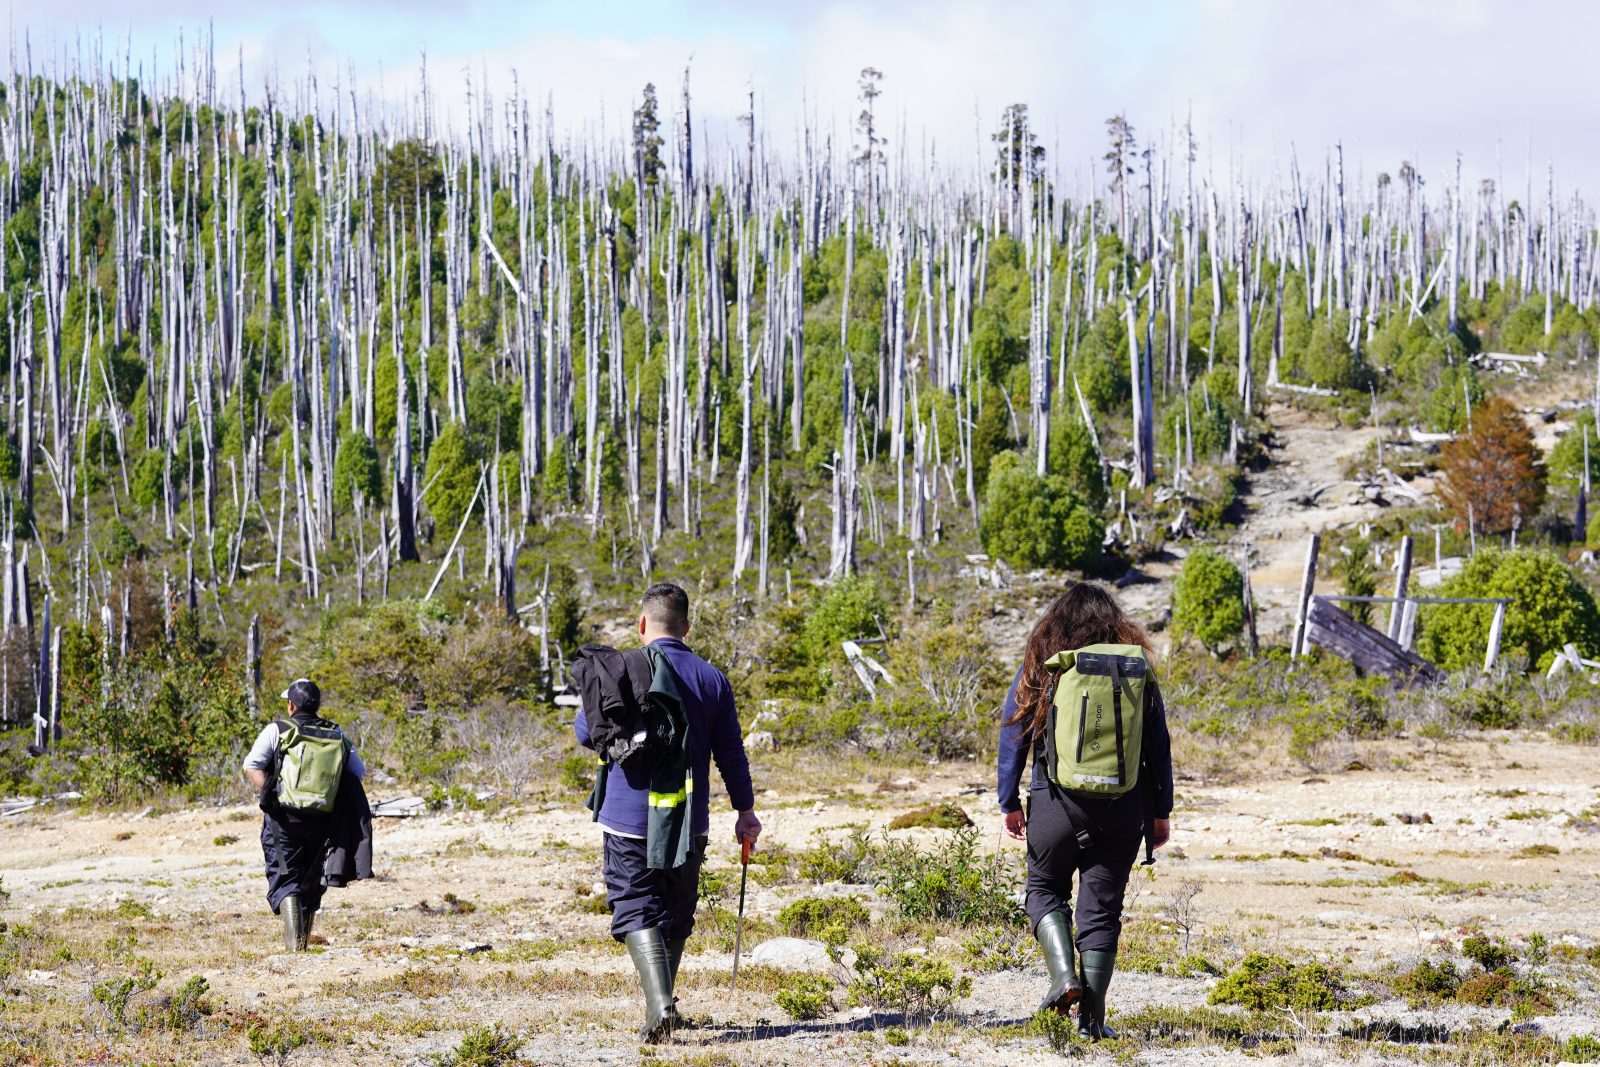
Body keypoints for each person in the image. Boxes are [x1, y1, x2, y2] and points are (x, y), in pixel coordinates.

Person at [574, 583, 761, 1043]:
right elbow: (731, 754)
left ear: (642, 625)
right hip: (688, 821)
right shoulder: (712, 678)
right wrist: (745, 811)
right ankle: (661, 1009)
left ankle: (660, 1007)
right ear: (687, 627)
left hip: (627, 819)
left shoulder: (620, 668)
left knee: (637, 906)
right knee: (676, 913)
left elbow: (586, 732)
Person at [996, 584, 1173, 1040]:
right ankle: (1093, 1024)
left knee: (1043, 889)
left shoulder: (1044, 664)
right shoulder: (1134, 668)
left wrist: (1009, 801)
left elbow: (1012, 735)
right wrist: (1160, 812)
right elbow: (1158, 747)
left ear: (1057, 621)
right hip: (1123, 809)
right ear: (1116, 622)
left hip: (1054, 805)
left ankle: (1062, 977)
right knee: (1102, 913)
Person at [242, 678, 371, 952]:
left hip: (283, 820)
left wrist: (271, 792)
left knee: (285, 877)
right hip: (323, 819)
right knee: (310, 881)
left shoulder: (277, 729)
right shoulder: (337, 734)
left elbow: (252, 765)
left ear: (291, 704)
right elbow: (358, 773)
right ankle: (301, 945)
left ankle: (294, 951)